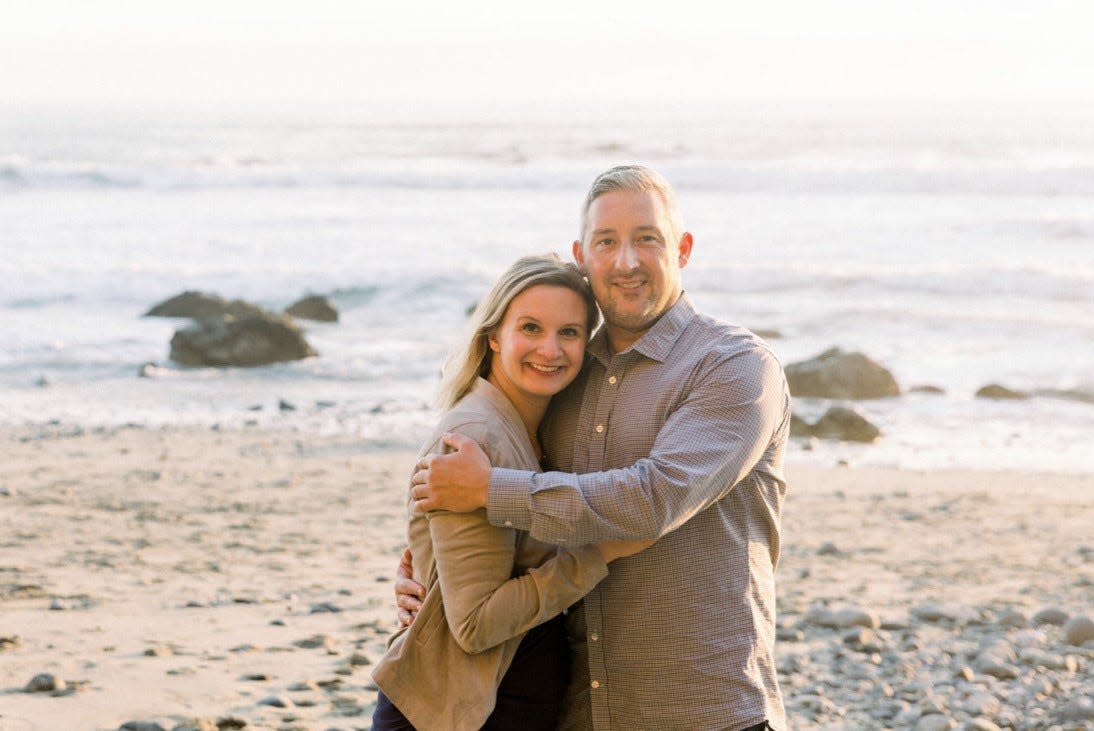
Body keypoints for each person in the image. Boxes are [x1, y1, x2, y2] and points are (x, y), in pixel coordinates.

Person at [401, 165, 791, 730]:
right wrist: (431, 576)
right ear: (583, 255)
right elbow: (503, 515)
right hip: (581, 711)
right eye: (607, 242)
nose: (626, 261)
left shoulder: (733, 367)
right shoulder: (563, 372)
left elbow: (655, 499)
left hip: (709, 710)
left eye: (647, 239)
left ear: (682, 248)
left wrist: (488, 490)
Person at [371, 254, 652, 731]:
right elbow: (475, 624)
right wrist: (598, 552)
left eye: (569, 333)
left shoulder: (538, 431)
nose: (551, 349)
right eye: (531, 328)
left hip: (503, 705)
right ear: (493, 336)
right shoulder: (474, 439)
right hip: (456, 715)